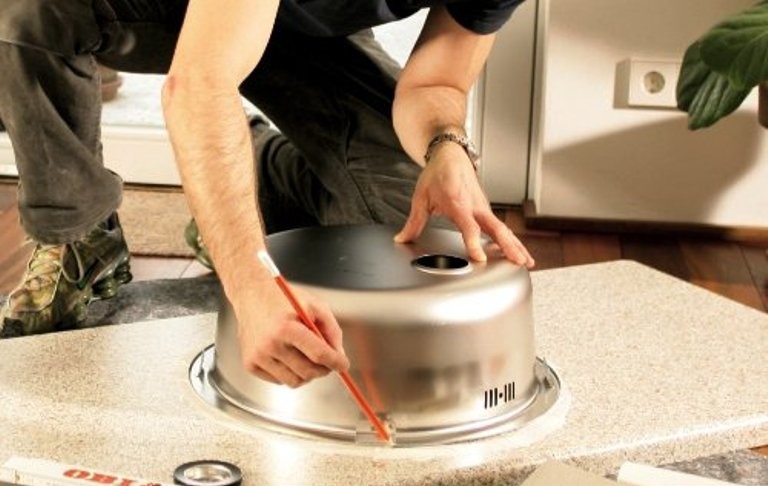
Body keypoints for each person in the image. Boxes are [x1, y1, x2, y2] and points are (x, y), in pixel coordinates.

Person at [0, 0, 535, 388]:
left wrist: (446, 148)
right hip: (166, 10)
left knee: (403, 231)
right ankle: (78, 236)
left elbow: (436, 85)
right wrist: (251, 283)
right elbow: (199, 85)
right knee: (28, 13)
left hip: (305, 26)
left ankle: (256, 173)